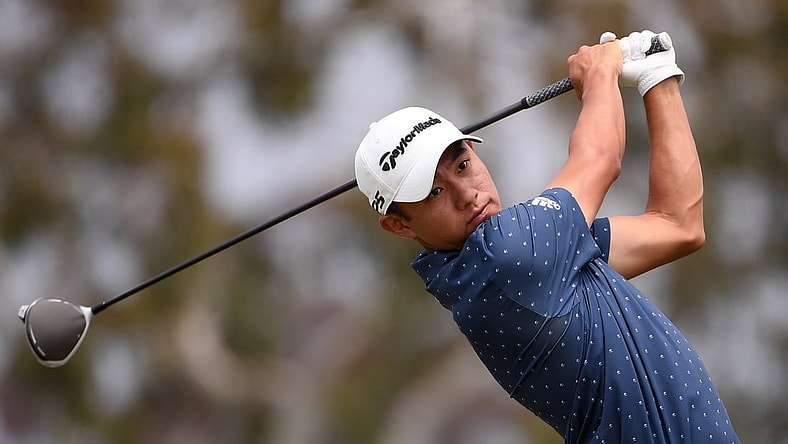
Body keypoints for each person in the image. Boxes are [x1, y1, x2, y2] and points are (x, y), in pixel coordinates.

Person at [354, 30, 740, 443]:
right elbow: (601, 158)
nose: (467, 195)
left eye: (463, 165)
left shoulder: (532, 263)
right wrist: (601, 70)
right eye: (434, 193)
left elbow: (677, 225)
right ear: (400, 225)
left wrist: (657, 79)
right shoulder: (505, 255)